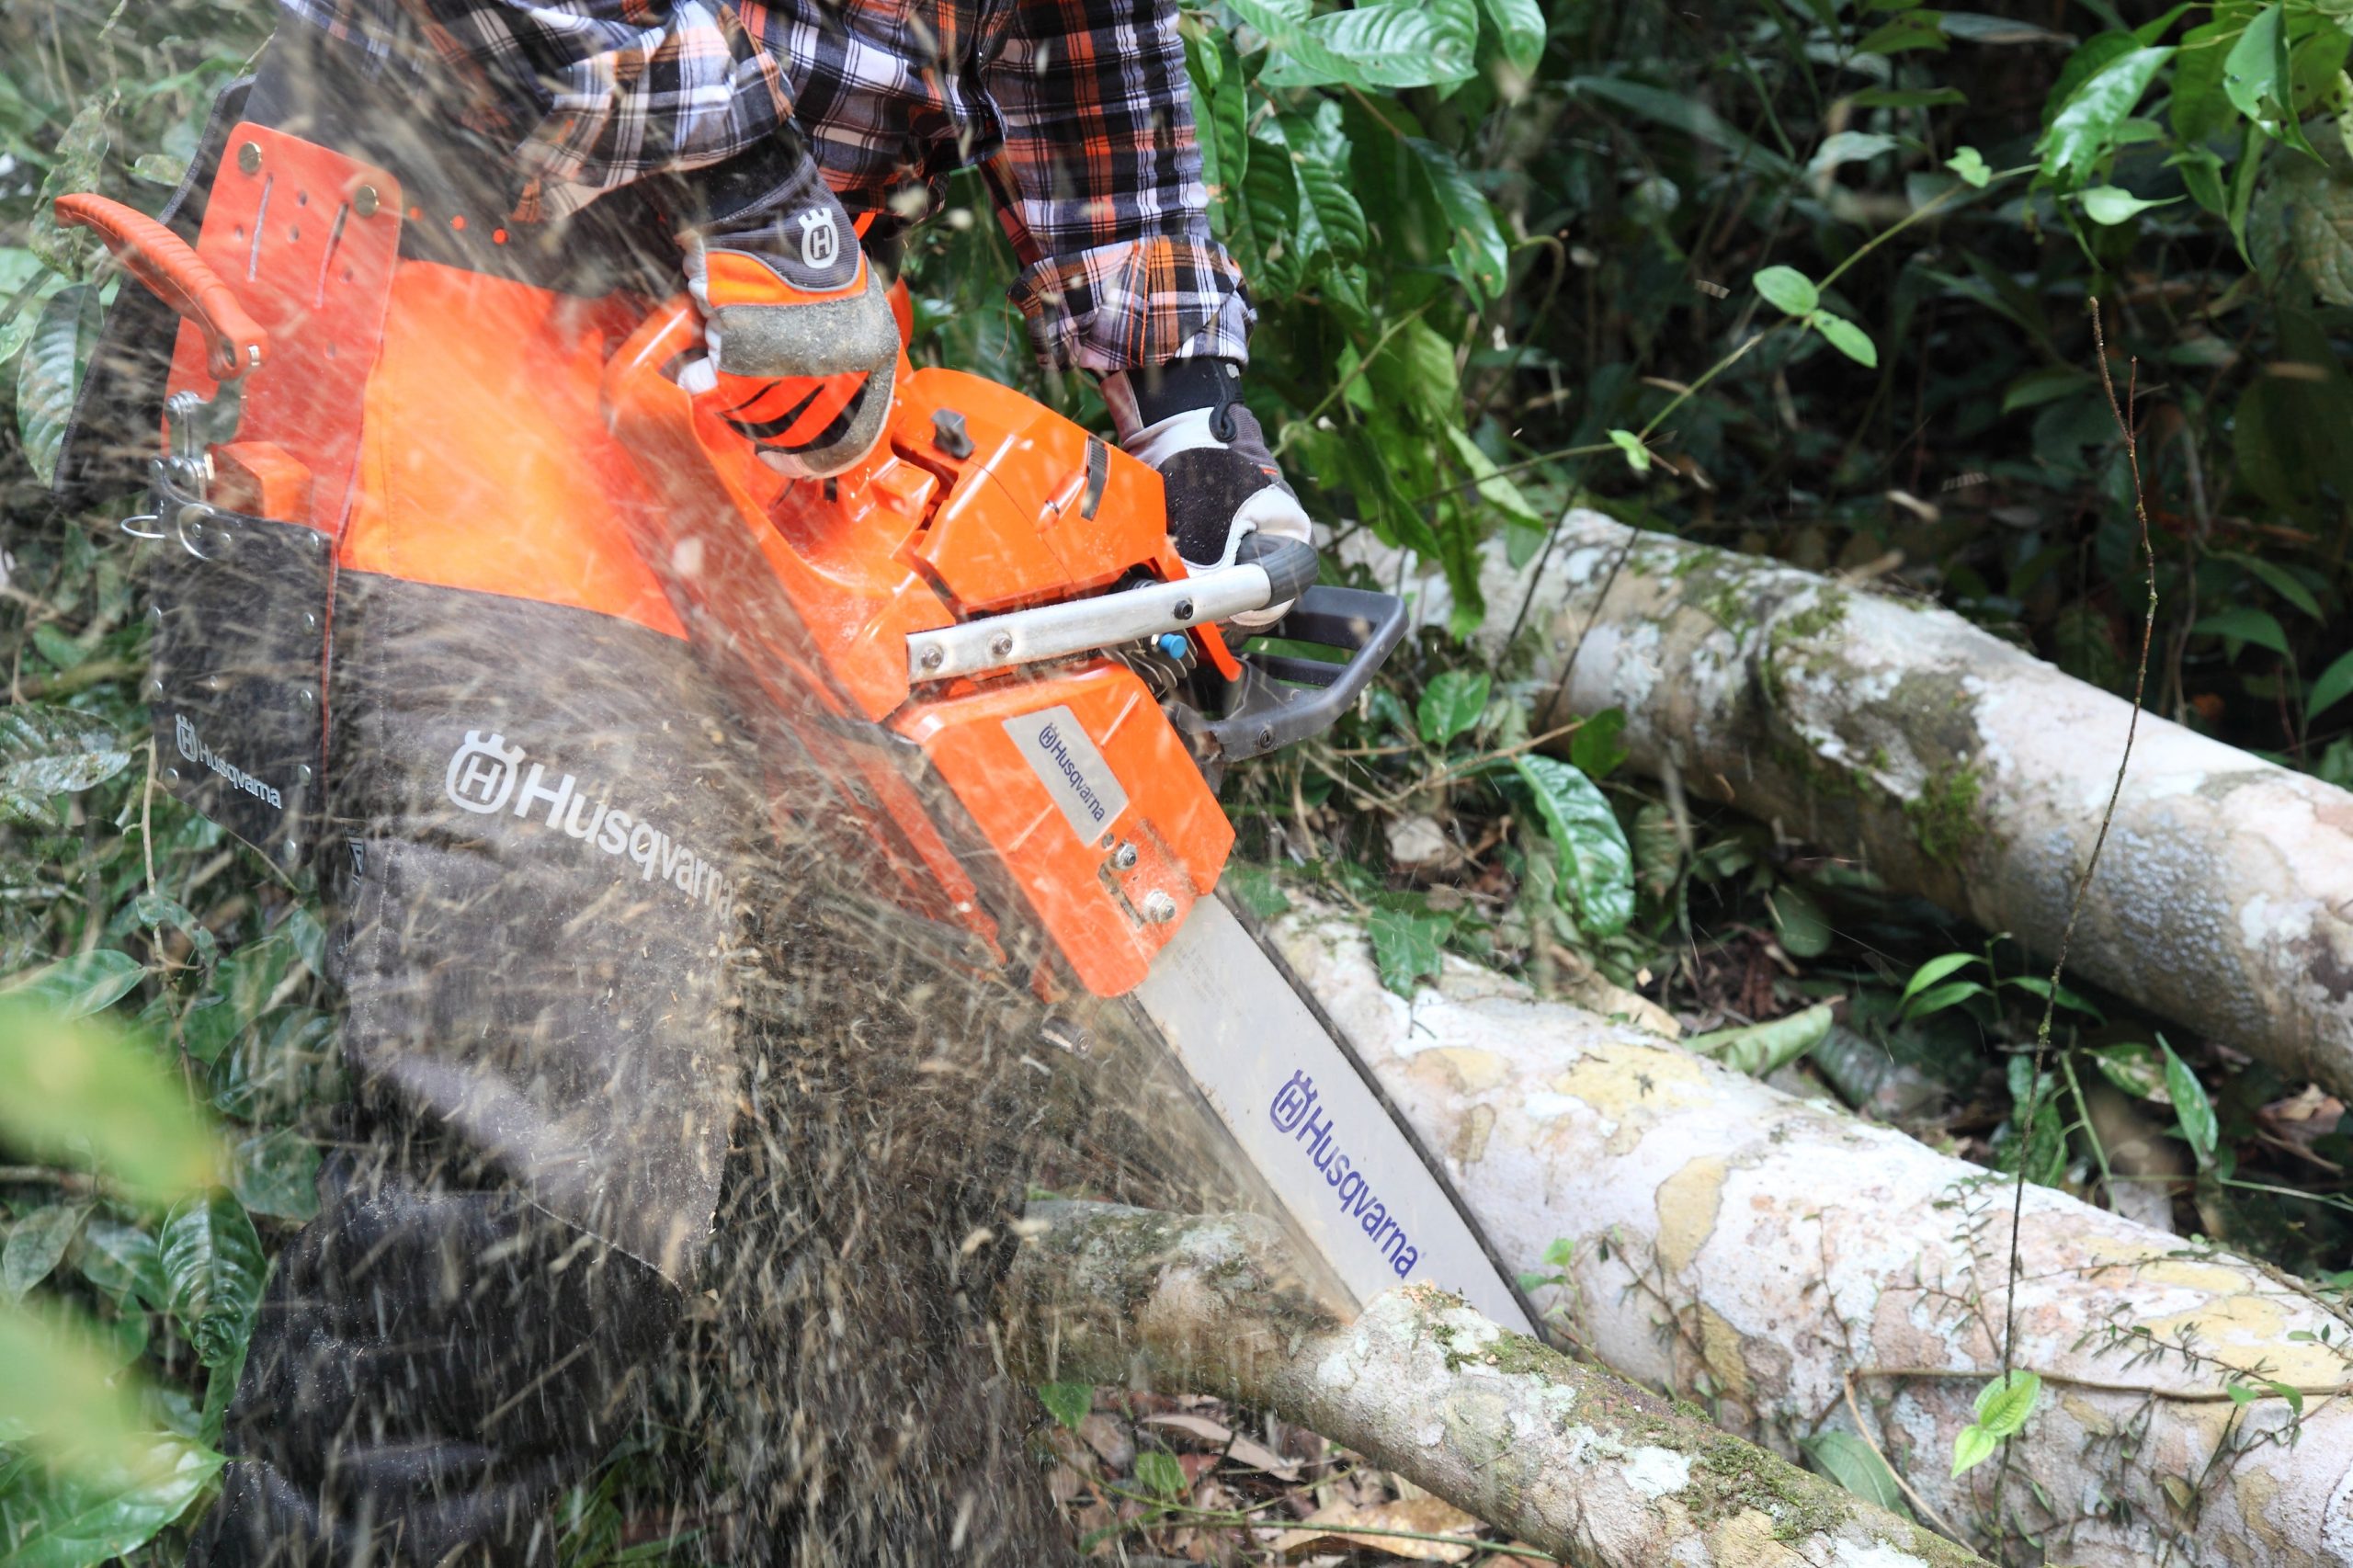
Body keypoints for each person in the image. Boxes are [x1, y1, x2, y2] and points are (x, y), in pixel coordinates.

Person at [131, 2, 1309, 1564]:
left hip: (756, 398)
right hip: (454, 301)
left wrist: (1190, 404)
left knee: (878, 1113)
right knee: (556, 1147)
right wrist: (752, 187)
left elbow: (1086, 56)